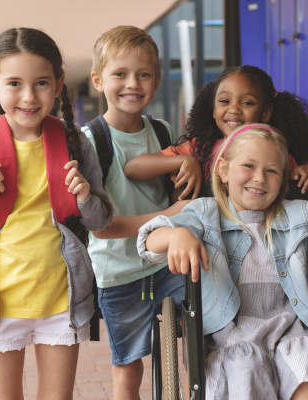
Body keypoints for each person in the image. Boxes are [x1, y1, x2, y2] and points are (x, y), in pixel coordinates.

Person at [0, 28, 112, 399]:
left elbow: (101, 220)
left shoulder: (75, 142)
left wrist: (86, 197)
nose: (29, 96)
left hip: (63, 298)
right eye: (14, 83)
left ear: (59, 84)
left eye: (41, 83)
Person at [137, 124, 308, 400]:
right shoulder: (205, 214)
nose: (260, 178)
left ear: (282, 180)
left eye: (271, 171)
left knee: (307, 373)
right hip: (232, 336)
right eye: (249, 166)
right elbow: (148, 240)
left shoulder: (296, 215)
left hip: (289, 329)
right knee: (246, 367)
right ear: (223, 170)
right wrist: (176, 235)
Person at [82, 26, 189, 400]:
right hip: (119, 273)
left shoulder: (162, 131)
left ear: (157, 80)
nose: (133, 83)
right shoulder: (89, 141)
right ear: (98, 79)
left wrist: (187, 166)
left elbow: (178, 190)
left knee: (199, 348)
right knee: (128, 372)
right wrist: (169, 216)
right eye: (120, 74)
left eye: (144, 74)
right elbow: (102, 229)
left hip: (167, 264)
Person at [123, 65, 308, 200]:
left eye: (247, 103)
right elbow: (133, 168)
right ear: (213, 109)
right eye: (224, 101)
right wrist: (184, 161)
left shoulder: (276, 153)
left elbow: (291, 181)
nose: (233, 109)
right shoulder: (199, 148)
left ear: (266, 112)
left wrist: (300, 172)